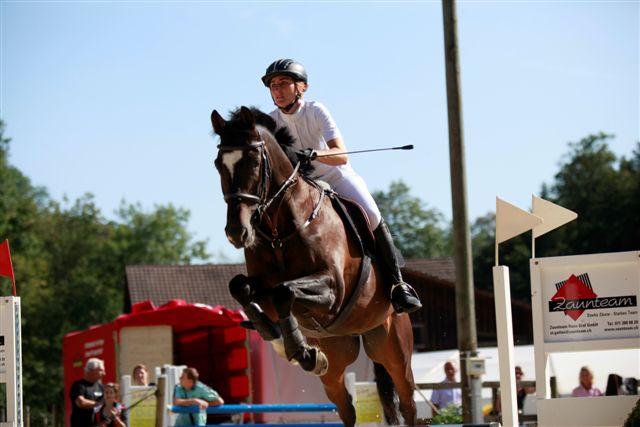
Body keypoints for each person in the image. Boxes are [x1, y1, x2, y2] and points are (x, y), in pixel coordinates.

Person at [261, 58, 422, 314]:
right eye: (273, 85)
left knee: (371, 215)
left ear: (302, 87)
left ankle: (397, 285)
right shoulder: (270, 122)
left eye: (284, 83)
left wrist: (314, 153)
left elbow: (341, 154)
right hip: (305, 186)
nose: (278, 90)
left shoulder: (316, 110)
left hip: (336, 177)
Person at [69, 358, 106, 427]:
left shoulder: (101, 387)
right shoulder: (79, 385)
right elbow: (81, 402)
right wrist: (99, 403)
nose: (104, 373)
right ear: (91, 370)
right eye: (101, 370)